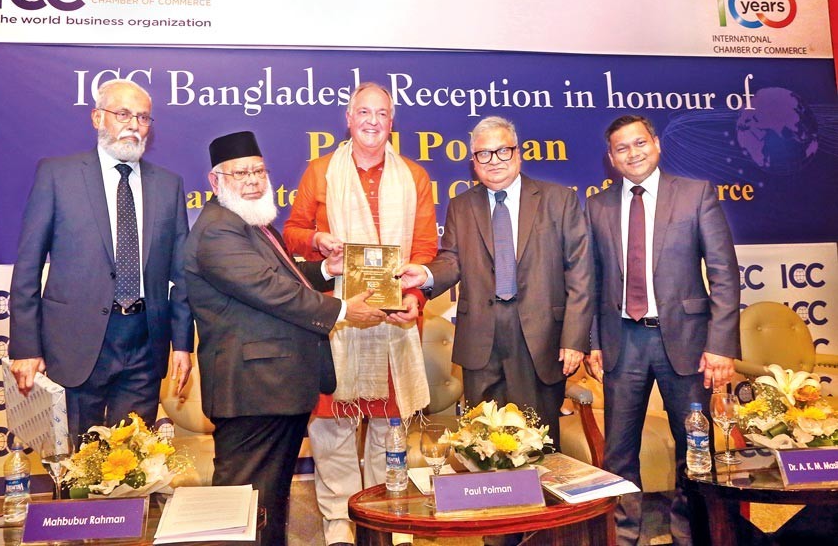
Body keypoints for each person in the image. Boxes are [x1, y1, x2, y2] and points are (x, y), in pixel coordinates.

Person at [184, 131, 385, 546]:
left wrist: (326, 273)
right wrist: (344, 310)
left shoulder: (250, 223)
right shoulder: (219, 230)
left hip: (274, 388)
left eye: (259, 170)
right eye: (240, 173)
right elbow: (270, 291)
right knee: (242, 511)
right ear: (215, 180)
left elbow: (283, 279)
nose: (254, 180)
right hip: (253, 391)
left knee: (267, 506)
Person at [283, 82, 437, 546]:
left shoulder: (414, 176)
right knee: (332, 423)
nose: (372, 121)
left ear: (392, 122)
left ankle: (381, 509)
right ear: (348, 119)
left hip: (395, 321)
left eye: (382, 114)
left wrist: (416, 298)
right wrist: (317, 241)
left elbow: (426, 249)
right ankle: (336, 515)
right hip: (338, 318)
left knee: (389, 422)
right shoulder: (321, 171)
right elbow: (291, 234)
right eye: (364, 112)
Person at [585, 114, 739, 545]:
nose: (632, 153)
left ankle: (692, 534)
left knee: (695, 447)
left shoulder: (695, 194)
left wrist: (721, 345)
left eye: (639, 143)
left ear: (656, 144)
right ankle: (625, 535)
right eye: (621, 148)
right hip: (623, 341)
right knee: (619, 452)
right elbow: (592, 281)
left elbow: (724, 273)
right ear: (611, 159)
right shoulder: (597, 206)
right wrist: (593, 341)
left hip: (687, 342)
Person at [8, 78, 193, 438]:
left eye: (143, 118)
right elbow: (28, 266)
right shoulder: (57, 175)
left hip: (145, 343)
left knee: (136, 462)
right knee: (75, 465)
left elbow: (181, 274)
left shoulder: (168, 184)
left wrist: (182, 343)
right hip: (74, 343)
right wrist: (26, 347)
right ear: (97, 118)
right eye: (122, 114)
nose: (133, 125)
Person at [396, 116, 594, 451]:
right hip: (480, 342)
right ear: (473, 163)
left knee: (538, 445)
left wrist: (574, 339)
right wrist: (426, 275)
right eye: (484, 154)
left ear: (518, 154)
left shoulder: (558, 200)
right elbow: (452, 260)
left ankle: (543, 504)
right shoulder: (461, 206)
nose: (494, 161)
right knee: (481, 446)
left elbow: (580, 273)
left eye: (502, 151)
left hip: (540, 339)